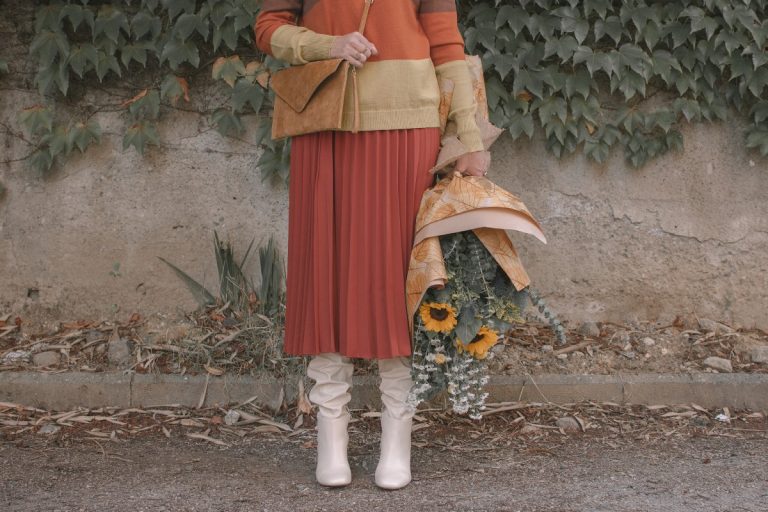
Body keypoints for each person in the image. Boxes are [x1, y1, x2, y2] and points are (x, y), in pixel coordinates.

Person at [254, 0, 489, 490]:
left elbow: (447, 44)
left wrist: (469, 136)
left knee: (400, 280)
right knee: (325, 275)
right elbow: (269, 28)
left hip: (409, 127)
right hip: (327, 120)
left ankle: (396, 440)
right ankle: (331, 437)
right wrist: (328, 45)